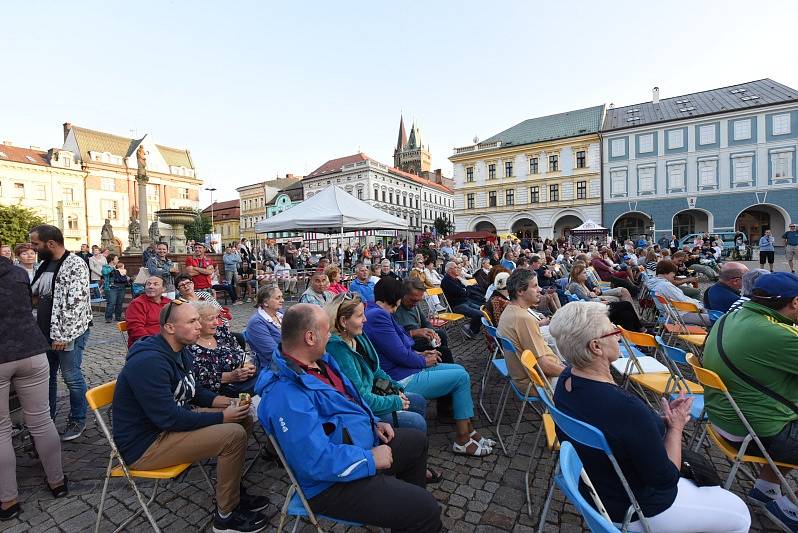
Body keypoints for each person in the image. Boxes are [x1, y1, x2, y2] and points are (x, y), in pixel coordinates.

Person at [548, 301, 751, 533]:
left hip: (598, 492)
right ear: (596, 346)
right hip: (636, 509)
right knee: (740, 514)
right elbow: (665, 480)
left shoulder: (566, 383)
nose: (619, 335)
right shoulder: (625, 407)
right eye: (614, 330)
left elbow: (618, 429)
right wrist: (674, 429)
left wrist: (653, 423)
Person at [255, 303, 441, 532]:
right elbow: (314, 462)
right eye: (326, 330)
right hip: (331, 484)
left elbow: (350, 403)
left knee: (416, 441)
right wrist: (370, 459)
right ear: (311, 337)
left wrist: (373, 422)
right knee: (426, 509)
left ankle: (405, 516)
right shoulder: (285, 395)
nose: (331, 335)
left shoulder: (320, 362)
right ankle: (415, 515)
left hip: (356, 449)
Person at [113, 300, 269, 533]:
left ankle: (232, 493)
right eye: (192, 321)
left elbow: (193, 392)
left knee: (242, 417)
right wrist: (221, 417)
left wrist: (225, 403)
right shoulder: (149, 362)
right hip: (146, 444)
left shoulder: (181, 351)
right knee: (233, 434)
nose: (199, 326)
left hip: (172, 424)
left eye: (198, 320)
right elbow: (168, 419)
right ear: (169, 328)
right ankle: (225, 517)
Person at [702, 272, 798, 531]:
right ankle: (781, 503)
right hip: (755, 432)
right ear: (795, 303)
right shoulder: (776, 334)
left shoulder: (730, 317)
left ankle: (766, 490)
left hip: (724, 419)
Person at [363, 277, 494, 456]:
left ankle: (469, 432)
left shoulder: (377, 312)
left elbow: (400, 345)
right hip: (400, 378)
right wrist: (424, 360)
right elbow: (400, 352)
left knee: (459, 370)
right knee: (460, 377)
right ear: (396, 296)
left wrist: (420, 354)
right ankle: (463, 438)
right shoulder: (379, 316)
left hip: (402, 370)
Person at [0, 255, 67, 520]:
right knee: (41, 421)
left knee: (1, 429)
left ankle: (8, 500)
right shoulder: (17, 273)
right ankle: (57, 482)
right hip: (31, 350)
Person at [325, 293, 428, 433]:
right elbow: (360, 397)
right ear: (343, 321)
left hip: (374, 393)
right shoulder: (338, 349)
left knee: (418, 400)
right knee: (416, 422)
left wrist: (396, 388)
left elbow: (376, 370)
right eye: (360, 315)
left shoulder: (357, 336)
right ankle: (403, 447)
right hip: (360, 409)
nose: (365, 319)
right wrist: (395, 401)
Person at [29, 225, 92, 442]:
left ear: (51, 244)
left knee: (71, 376)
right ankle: (48, 418)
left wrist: (62, 336)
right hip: (45, 332)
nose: (33, 248)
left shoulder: (75, 263)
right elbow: (38, 292)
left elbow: (75, 305)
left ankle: (78, 418)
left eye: (36, 244)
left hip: (68, 333)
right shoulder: (46, 263)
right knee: (48, 377)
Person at [496, 269, 565, 393]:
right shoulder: (523, 318)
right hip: (537, 382)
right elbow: (543, 366)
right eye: (535, 286)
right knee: (589, 387)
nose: (539, 290)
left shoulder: (510, 310)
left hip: (527, 378)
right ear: (520, 291)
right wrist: (570, 373)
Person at [188, 301, 257, 396]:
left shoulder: (221, 332)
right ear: (196, 321)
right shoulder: (189, 345)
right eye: (211, 319)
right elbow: (198, 378)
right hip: (216, 392)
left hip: (244, 381)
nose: (216, 323)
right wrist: (230, 376)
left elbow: (241, 353)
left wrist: (247, 365)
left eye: (217, 317)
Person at [567, 263, 644, 332]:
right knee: (626, 304)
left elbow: (590, 295)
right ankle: (640, 328)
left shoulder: (581, 283)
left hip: (597, 305)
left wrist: (596, 294)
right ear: (577, 275)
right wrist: (601, 300)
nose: (586, 274)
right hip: (596, 309)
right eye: (584, 273)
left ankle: (637, 332)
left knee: (626, 314)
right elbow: (587, 302)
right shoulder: (575, 286)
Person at [646, 260, 709, 326]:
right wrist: (699, 306)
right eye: (673, 276)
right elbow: (682, 301)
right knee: (713, 319)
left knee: (709, 314)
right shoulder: (665, 286)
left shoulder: (654, 283)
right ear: (667, 273)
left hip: (671, 314)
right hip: (679, 315)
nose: (673, 278)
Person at [245, 285, 283, 371]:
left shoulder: (280, 313)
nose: (282, 300)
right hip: (273, 367)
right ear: (265, 303)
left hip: (290, 358)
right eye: (278, 298)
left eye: (282, 297)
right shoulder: (257, 323)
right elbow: (272, 353)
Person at [441, 261, 482, 338]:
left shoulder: (456, 279)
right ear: (450, 270)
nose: (458, 269)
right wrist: (464, 290)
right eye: (456, 267)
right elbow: (461, 292)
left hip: (465, 301)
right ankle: (471, 331)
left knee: (484, 310)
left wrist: (464, 290)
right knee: (480, 314)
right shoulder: (446, 281)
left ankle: (469, 326)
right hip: (457, 305)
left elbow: (465, 290)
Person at [125, 276, 170, 347]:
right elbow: (135, 329)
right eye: (148, 284)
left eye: (156, 284)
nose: (151, 287)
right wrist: (153, 343)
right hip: (146, 344)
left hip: (169, 341)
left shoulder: (168, 303)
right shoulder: (138, 303)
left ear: (163, 289)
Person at [104, 258, 129, 323]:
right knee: (111, 302)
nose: (118, 260)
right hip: (113, 287)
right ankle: (108, 317)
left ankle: (118, 316)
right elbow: (105, 272)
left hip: (122, 287)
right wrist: (113, 268)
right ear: (112, 260)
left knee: (119, 302)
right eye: (116, 259)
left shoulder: (121, 268)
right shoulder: (106, 266)